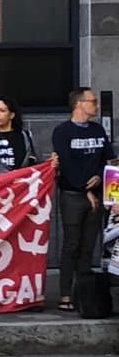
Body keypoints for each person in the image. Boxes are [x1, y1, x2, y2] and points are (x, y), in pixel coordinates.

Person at [52, 87, 113, 313]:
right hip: (72, 195)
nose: (96, 105)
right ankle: (65, 294)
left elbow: (108, 158)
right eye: (92, 101)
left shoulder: (97, 130)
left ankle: (83, 295)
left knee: (88, 247)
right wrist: (84, 189)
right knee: (71, 244)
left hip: (96, 193)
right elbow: (67, 164)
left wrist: (99, 177)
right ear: (79, 103)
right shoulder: (63, 131)